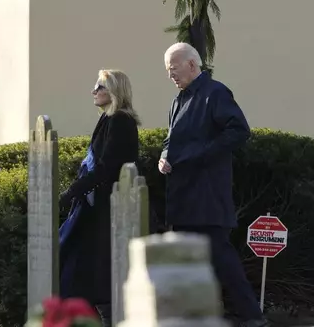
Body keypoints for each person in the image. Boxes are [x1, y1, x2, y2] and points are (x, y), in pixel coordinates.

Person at [158, 42, 270, 327]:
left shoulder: (215, 93)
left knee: (222, 258)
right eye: (167, 70)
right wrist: (163, 155)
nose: (170, 74)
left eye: (173, 68)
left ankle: (253, 318)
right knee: (185, 261)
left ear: (192, 65)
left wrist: (198, 155)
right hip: (182, 194)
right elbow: (171, 139)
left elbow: (239, 130)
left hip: (207, 194)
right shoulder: (177, 100)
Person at [58, 69, 140, 327]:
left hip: (108, 210)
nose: (94, 91)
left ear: (115, 91)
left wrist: (73, 191)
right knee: (81, 272)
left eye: (100, 87)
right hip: (94, 207)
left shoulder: (120, 121)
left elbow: (107, 167)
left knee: (99, 277)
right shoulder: (107, 119)